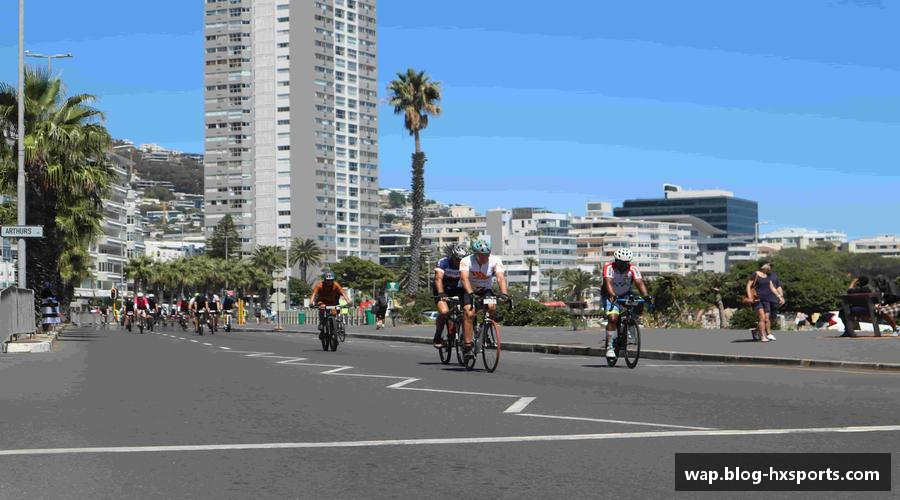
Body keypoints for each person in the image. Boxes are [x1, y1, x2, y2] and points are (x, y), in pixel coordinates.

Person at [459, 239, 509, 359]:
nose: (484, 257)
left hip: (485, 290)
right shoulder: (466, 261)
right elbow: (464, 278)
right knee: (469, 313)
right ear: (475, 254)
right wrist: (471, 293)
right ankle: (467, 346)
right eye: (481, 255)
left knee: (492, 307)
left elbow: (500, 278)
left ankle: (484, 333)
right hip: (468, 289)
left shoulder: (495, 260)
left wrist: (504, 293)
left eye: (486, 255)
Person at [602, 248, 650, 360]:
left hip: (625, 294)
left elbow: (639, 282)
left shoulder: (633, 269)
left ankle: (630, 324)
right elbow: (608, 282)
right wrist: (612, 295)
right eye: (621, 263)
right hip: (610, 294)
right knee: (613, 319)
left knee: (639, 303)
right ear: (616, 261)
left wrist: (646, 296)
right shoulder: (609, 267)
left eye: (626, 263)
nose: (624, 265)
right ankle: (609, 347)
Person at [432, 243, 469, 346]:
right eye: (457, 259)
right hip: (442, 289)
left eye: (461, 260)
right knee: (444, 312)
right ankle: (438, 335)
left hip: (457, 289)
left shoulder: (466, 265)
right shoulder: (443, 262)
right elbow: (438, 278)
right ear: (452, 256)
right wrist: (441, 293)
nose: (459, 262)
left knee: (466, 311)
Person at [745, 262, 784, 343]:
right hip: (757, 300)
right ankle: (763, 336)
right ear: (762, 266)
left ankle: (757, 331)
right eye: (767, 264)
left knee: (766, 319)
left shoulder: (768, 276)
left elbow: (772, 287)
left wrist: (779, 296)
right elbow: (748, 285)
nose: (769, 266)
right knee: (762, 317)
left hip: (767, 300)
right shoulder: (756, 274)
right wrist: (750, 297)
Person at [310, 271, 352, 338]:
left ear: (333, 280)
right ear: (324, 280)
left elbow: (343, 293)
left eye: (331, 280)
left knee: (334, 313)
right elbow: (314, 294)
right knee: (322, 307)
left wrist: (348, 302)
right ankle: (322, 323)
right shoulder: (319, 285)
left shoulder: (336, 285)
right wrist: (311, 303)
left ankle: (334, 328)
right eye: (327, 280)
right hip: (322, 301)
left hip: (333, 302)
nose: (329, 282)